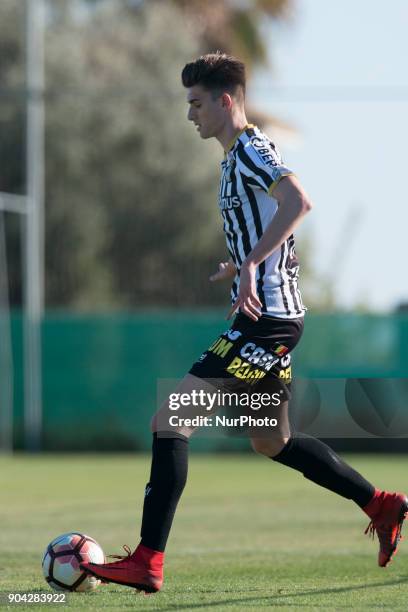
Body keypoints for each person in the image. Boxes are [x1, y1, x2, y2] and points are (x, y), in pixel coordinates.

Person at [81, 52, 407, 593]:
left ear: (224, 100)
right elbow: (273, 224)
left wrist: (254, 266)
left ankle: (147, 561)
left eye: (196, 103)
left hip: (267, 324)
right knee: (271, 440)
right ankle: (381, 503)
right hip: (274, 320)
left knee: (170, 419)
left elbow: (299, 201)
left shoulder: (253, 149)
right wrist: (245, 261)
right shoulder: (233, 159)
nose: (190, 115)